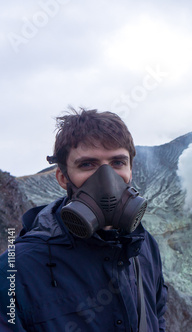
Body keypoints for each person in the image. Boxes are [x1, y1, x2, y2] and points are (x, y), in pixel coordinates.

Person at [0, 108, 168, 331]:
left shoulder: (144, 245)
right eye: (87, 164)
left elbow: (158, 315)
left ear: (130, 169)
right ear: (62, 177)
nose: (107, 179)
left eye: (118, 162)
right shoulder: (16, 269)